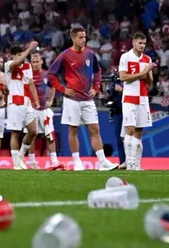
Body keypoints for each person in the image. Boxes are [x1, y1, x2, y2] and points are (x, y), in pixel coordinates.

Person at [48, 26, 118, 171]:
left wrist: (96, 87)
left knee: (95, 129)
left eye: (84, 37)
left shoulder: (90, 54)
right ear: (73, 38)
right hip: (71, 100)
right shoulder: (65, 55)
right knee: (73, 130)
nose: (83, 39)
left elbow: (98, 72)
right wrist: (63, 89)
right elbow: (51, 74)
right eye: (80, 37)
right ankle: (77, 161)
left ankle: (103, 161)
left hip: (88, 99)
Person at [119, 32, 155, 171]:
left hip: (143, 98)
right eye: (140, 43)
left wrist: (148, 74)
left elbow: (150, 83)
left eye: (144, 43)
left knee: (139, 132)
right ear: (133, 42)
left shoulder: (147, 59)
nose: (142, 46)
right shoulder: (126, 57)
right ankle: (130, 163)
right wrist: (142, 73)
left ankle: (137, 164)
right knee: (130, 129)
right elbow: (123, 77)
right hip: (129, 97)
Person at [4, 42, 40, 170]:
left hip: (27, 102)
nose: (21, 57)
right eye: (18, 55)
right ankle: (16, 163)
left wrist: (36, 101)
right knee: (15, 133)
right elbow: (16, 62)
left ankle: (20, 154)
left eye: (22, 54)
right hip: (14, 102)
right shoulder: (8, 65)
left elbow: (31, 84)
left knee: (33, 131)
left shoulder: (27, 66)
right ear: (12, 56)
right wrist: (29, 48)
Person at [29, 52, 63, 170]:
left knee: (50, 135)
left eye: (37, 62)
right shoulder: (28, 75)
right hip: (32, 110)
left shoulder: (47, 74)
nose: (35, 64)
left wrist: (51, 100)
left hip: (45, 110)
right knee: (31, 135)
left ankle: (54, 161)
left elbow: (53, 86)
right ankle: (32, 162)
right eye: (33, 62)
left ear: (41, 62)